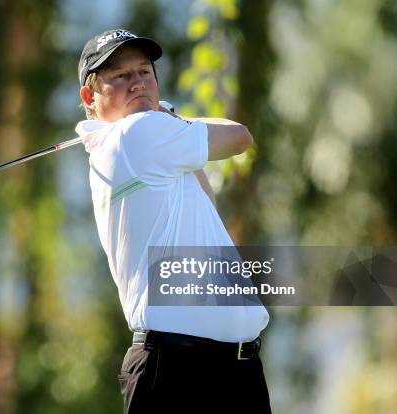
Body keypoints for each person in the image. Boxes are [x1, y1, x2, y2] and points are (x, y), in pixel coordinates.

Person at [75, 29, 272, 413]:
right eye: (120, 76)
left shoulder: (145, 144)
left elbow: (206, 200)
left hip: (230, 369)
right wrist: (171, 116)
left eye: (144, 72)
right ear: (89, 97)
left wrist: (167, 120)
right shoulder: (137, 134)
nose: (136, 83)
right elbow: (240, 137)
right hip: (178, 370)